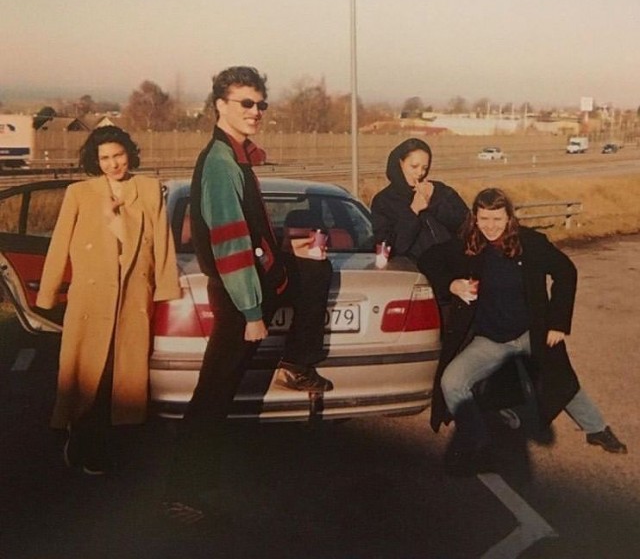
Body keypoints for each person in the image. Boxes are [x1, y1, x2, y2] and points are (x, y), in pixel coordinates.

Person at [164, 66, 333, 524]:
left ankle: (296, 363)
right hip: (238, 296)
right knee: (214, 394)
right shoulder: (221, 163)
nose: (256, 111)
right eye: (246, 103)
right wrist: (252, 312)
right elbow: (230, 243)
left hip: (260, 281)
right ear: (220, 105)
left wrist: (289, 252)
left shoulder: (237, 157)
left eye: (261, 104)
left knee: (316, 269)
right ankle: (183, 492)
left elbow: (254, 234)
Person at [420, 187, 627, 476]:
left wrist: (557, 323)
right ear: (475, 218)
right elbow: (428, 259)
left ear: (509, 218)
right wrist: (452, 284)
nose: (490, 226)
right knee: (451, 381)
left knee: (561, 379)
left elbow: (566, 272)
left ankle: (597, 428)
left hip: (532, 333)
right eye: (484, 219)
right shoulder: (468, 245)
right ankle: (478, 442)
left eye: (497, 219)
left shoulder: (530, 243)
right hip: (490, 340)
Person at [35, 126, 181, 475]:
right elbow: (59, 244)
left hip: (132, 298)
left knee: (124, 379)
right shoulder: (79, 193)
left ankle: (109, 446)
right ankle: (81, 439)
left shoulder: (148, 189)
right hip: (90, 299)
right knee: (89, 375)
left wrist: (165, 291)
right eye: (105, 158)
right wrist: (47, 293)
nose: (113, 164)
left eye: (118, 155)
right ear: (95, 161)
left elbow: (162, 242)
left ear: (129, 154)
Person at [370, 138, 469, 264]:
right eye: (414, 166)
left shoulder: (441, 190)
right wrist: (413, 211)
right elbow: (387, 252)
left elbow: (466, 225)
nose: (420, 173)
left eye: (425, 168)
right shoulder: (383, 201)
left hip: (453, 267)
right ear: (400, 163)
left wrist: (435, 203)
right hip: (413, 271)